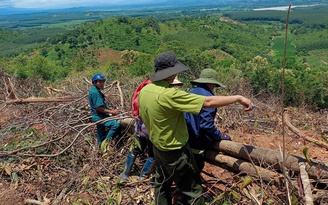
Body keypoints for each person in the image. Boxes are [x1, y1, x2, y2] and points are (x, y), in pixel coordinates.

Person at [138, 51, 254, 205]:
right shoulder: (169, 94)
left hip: (157, 147)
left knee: (162, 184)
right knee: (193, 191)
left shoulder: (146, 90)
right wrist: (239, 98)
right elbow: (208, 102)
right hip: (174, 151)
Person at [184, 68, 232, 173]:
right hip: (196, 141)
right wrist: (219, 135)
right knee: (194, 171)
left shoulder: (189, 92)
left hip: (183, 137)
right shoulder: (209, 99)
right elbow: (206, 125)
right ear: (211, 84)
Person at [121, 79, 155, 180]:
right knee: (153, 155)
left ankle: (125, 174)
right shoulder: (155, 95)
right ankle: (142, 177)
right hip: (152, 132)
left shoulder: (141, 93)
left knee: (134, 151)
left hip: (140, 129)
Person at [88, 73, 121, 147]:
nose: (102, 83)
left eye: (103, 81)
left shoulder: (95, 91)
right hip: (99, 116)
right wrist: (112, 112)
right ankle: (105, 144)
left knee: (101, 134)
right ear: (95, 82)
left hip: (99, 116)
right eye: (100, 82)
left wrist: (111, 112)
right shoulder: (95, 92)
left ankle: (100, 149)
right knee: (115, 125)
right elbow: (99, 108)